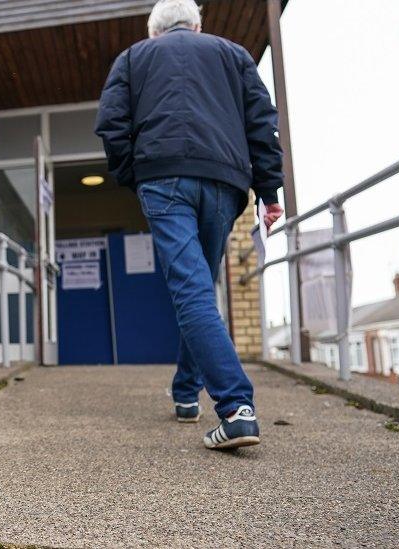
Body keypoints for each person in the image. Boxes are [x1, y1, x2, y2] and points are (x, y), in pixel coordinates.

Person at [94, 0, 284, 449]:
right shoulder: (232, 53)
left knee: (192, 289)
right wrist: (270, 193)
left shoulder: (134, 57)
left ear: (153, 31)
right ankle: (184, 393)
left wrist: (134, 176)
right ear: (197, 26)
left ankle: (237, 409)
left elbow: (111, 124)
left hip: (163, 179)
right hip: (224, 182)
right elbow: (262, 123)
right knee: (198, 287)